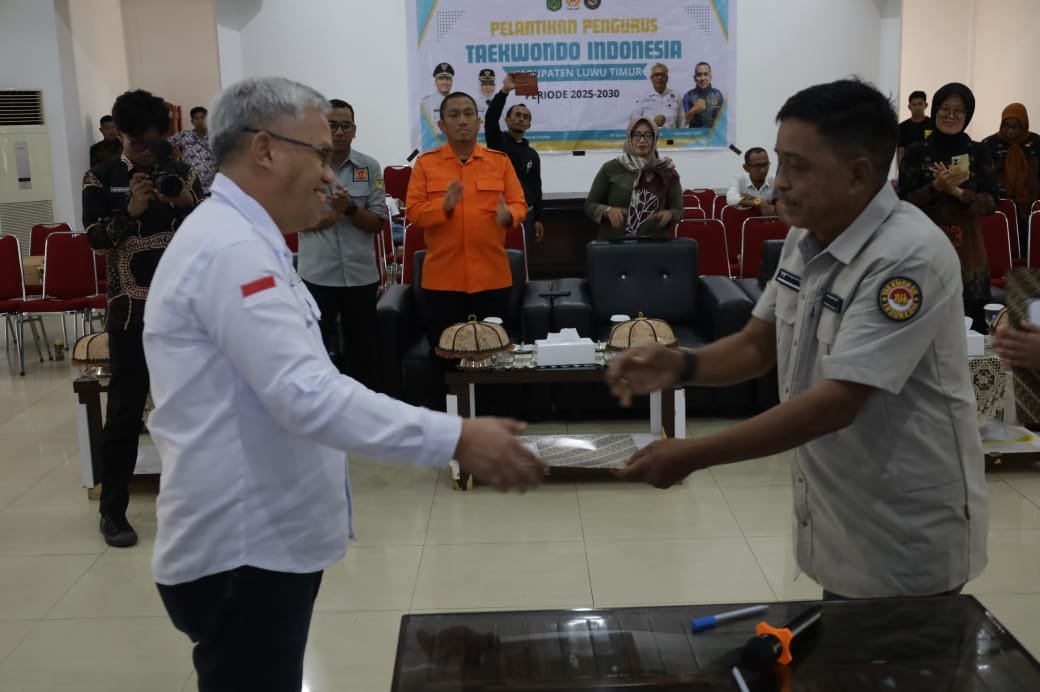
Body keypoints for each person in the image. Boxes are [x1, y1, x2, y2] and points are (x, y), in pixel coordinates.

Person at [143, 76, 546, 691]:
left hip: (260, 541)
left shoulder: (247, 240)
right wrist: (456, 437)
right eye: (317, 153)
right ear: (265, 149)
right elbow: (305, 394)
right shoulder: (230, 251)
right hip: (243, 548)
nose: (331, 174)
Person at [605, 79, 988, 600]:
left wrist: (694, 453)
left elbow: (837, 402)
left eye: (797, 166)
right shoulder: (806, 235)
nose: (779, 182)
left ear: (858, 174)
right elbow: (757, 344)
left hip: (906, 527)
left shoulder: (907, 256)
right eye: (780, 161)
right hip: (839, 513)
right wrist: (681, 366)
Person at [82, 89, 202, 547]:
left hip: (184, 316)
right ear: (122, 135)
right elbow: (95, 240)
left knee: (190, 414)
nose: (145, 151)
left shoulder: (184, 175)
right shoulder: (101, 178)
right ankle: (113, 512)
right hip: (130, 315)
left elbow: (212, 233)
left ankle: (195, 507)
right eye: (136, 142)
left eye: (153, 142)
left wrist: (187, 204)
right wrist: (130, 213)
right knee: (124, 415)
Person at [406, 91, 528, 355]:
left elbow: (519, 204)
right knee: (446, 357)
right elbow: (414, 212)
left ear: (478, 121)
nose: (462, 120)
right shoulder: (426, 165)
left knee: (492, 355)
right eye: (454, 114)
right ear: (442, 125)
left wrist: (509, 215)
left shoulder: (499, 162)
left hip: (492, 278)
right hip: (442, 282)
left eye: (468, 113)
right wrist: (444, 206)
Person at [297, 99, 385, 386]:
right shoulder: (303, 167)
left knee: (364, 355)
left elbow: (378, 223)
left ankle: (364, 408)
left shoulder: (369, 167)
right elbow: (295, 221)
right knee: (317, 354)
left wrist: (349, 209)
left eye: (345, 126)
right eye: (331, 125)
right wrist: (329, 214)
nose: (339, 132)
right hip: (317, 276)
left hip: (360, 276)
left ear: (354, 130)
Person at [899, 82, 997, 330]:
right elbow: (903, 203)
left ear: (967, 115)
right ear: (935, 110)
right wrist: (935, 187)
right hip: (923, 251)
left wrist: (957, 192)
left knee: (970, 332)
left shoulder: (979, 152)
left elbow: (991, 203)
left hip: (968, 254)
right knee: (922, 328)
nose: (950, 116)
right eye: (945, 109)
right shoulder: (916, 153)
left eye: (958, 111)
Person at [584, 118, 682, 240]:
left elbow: (678, 211)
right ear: (629, 138)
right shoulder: (611, 168)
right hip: (615, 244)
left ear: (655, 139)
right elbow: (589, 205)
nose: (642, 140)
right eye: (636, 135)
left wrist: (670, 214)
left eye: (648, 135)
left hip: (654, 243)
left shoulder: (667, 171)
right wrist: (607, 211)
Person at [484, 72, 544, 244]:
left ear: (529, 125)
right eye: (517, 115)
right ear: (507, 120)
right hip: (500, 212)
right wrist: (504, 91)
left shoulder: (532, 154)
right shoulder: (496, 141)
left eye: (525, 117)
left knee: (522, 257)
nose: (521, 119)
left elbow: (536, 187)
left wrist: (538, 218)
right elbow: (490, 117)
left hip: (526, 214)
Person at [982, 102, 1040, 245]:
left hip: (1030, 203)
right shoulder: (989, 144)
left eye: (1015, 126)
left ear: (1024, 125)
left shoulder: (1036, 142)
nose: (1010, 130)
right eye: (1006, 125)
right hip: (999, 203)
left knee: (1030, 242)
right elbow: (983, 173)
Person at [169, 105, 217, 194]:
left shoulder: (216, 136)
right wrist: (177, 154)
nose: (200, 121)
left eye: (203, 117)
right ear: (192, 121)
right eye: (196, 118)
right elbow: (166, 144)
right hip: (191, 186)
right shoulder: (184, 135)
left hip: (212, 186)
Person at [725, 146, 777, 213]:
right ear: (746, 168)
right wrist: (761, 202)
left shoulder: (775, 179)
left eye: (765, 164)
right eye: (757, 166)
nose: (763, 170)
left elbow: (786, 201)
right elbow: (731, 199)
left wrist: (755, 200)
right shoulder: (738, 179)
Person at [630, 63, 682, 129]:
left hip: (670, 134)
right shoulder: (643, 96)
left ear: (667, 78)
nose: (660, 78)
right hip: (650, 134)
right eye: (656, 75)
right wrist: (652, 121)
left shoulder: (676, 96)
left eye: (662, 75)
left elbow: (681, 120)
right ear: (651, 78)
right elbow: (633, 118)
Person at [896, 90, 933, 170]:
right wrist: (901, 171)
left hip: (929, 166)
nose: (917, 108)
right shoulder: (902, 127)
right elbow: (900, 151)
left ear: (926, 105)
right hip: (909, 167)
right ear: (909, 107)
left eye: (920, 104)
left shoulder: (933, 125)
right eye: (914, 105)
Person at [682, 62, 724, 128]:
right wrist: (693, 110)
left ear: (710, 77)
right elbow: (683, 123)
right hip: (694, 134)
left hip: (712, 134)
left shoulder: (718, 95)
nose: (702, 78)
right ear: (694, 78)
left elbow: (723, 121)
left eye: (706, 74)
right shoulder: (688, 96)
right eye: (699, 75)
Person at [420, 62, 455, 134]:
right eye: (441, 79)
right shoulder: (426, 103)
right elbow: (424, 130)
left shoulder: (457, 102)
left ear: (451, 82)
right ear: (435, 82)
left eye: (448, 79)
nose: (444, 82)